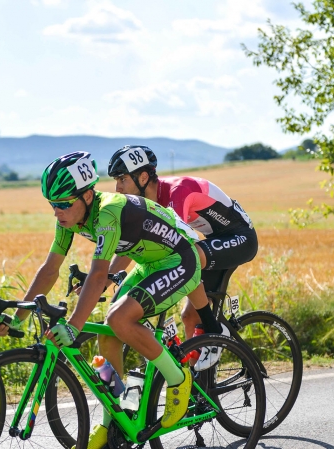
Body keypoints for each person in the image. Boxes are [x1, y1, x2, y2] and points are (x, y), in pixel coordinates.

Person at [0, 151, 224, 449]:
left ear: (87, 196)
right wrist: (16, 318)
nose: (56, 211)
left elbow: (99, 273)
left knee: (118, 318)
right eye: (52, 204)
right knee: (109, 337)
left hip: (180, 260)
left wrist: (73, 326)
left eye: (63, 203)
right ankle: (114, 419)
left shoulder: (109, 212)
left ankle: (177, 378)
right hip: (150, 264)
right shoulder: (68, 219)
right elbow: (50, 270)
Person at [106, 145, 257, 365]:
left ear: (144, 177)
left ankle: (215, 329)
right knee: (188, 317)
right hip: (212, 241)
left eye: (122, 179)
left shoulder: (177, 191)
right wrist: (107, 276)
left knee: (186, 255)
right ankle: (197, 384)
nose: (117, 188)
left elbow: (179, 247)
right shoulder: (146, 203)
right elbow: (134, 243)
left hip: (239, 238)